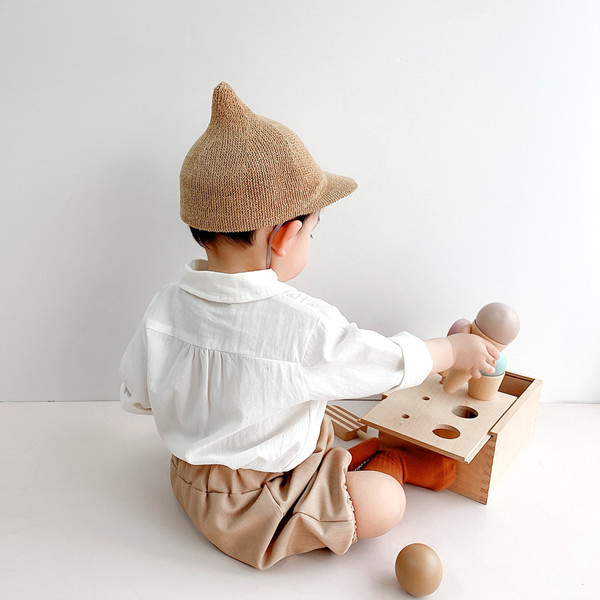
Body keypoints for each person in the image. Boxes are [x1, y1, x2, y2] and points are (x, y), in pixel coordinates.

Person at [119, 82, 500, 570]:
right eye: (312, 233)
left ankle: (347, 458)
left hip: (190, 480)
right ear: (285, 236)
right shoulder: (300, 325)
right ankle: (391, 463)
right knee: (385, 502)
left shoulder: (164, 307)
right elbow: (380, 361)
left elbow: (137, 397)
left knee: (312, 410)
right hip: (254, 504)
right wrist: (451, 351)